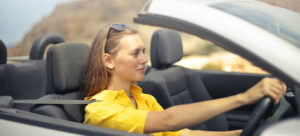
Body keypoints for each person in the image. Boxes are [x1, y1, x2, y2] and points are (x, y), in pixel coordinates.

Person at [83, 24, 286, 136]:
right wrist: (244, 97)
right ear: (109, 61)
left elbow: (184, 135)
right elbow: (167, 121)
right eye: (135, 53)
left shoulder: (145, 99)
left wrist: (235, 135)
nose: (144, 59)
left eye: (143, 52)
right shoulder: (100, 110)